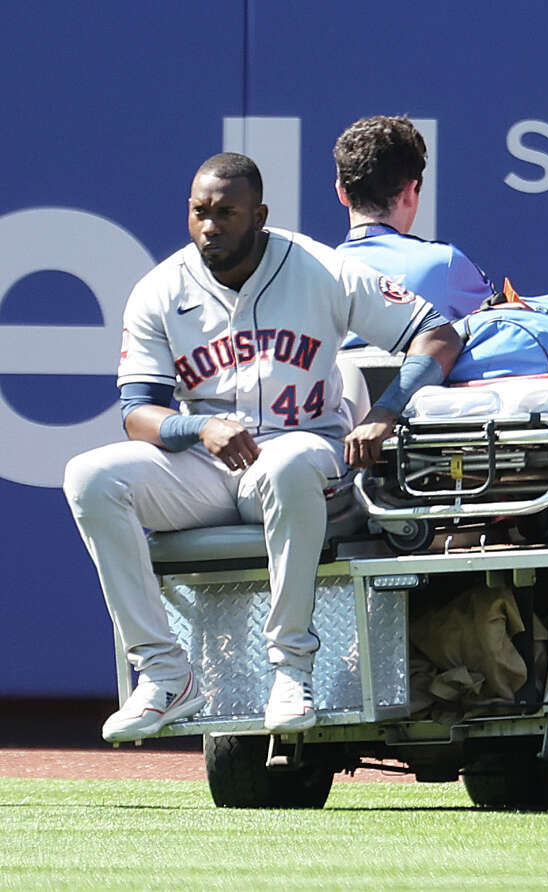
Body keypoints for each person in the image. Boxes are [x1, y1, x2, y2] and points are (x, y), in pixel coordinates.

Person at [62, 153, 461, 742]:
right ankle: (164, 675)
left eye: (227, 213)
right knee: (90, 476)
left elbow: (438, 333)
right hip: (205, 465)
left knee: (290, 462)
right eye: (200, 212)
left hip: (303, 449)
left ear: (260, 215)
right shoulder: (160, 288)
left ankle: (291, 669)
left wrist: (383, 413)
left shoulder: (320, 268)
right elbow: (137, 414)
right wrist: (196, 428)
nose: (210, 226)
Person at [333, 115, 493, 323]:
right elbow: (504, 333)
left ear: (341, 193)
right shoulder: (445, 264)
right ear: (410, 192)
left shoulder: (310, 277)